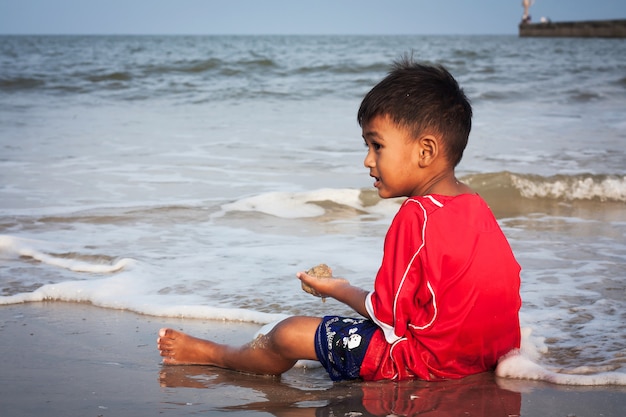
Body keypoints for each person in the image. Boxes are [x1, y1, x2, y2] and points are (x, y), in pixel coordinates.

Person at [157, 57, 522, 382]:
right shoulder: (474, 203)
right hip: (484, 359)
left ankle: (217, 355)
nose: (367, 160)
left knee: (288, 333)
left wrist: (338, 289)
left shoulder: (416, 216)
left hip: (423, 364)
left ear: (425, 151)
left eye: (376, 145)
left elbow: (388, 316)